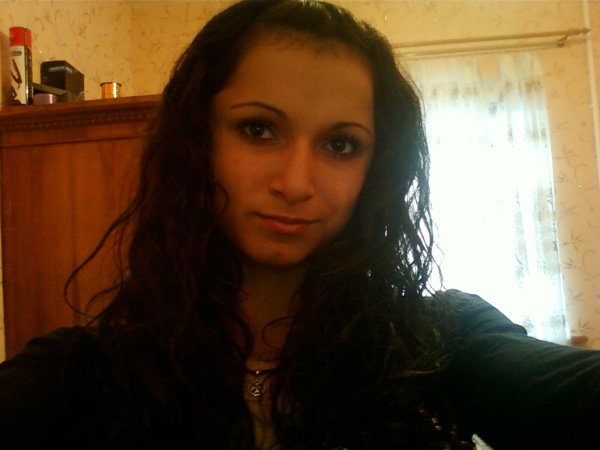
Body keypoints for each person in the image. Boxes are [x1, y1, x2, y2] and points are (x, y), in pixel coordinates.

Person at [1, 0, 600, 448]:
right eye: (258, 129)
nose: (295, 183)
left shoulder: (444, 343)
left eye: (341, 144)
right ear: (196, 141)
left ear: (376, 169)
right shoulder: (81, 373)